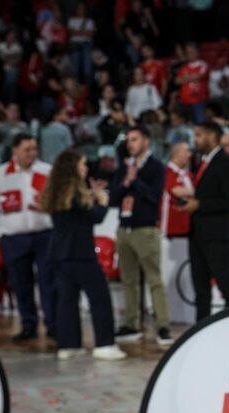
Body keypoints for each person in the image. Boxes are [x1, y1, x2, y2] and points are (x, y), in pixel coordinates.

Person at [41, 149, 126, 360]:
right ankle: (105, 345)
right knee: (100, 300)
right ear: (73, 168)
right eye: (82, 165)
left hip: (60, 255)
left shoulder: (56, 192)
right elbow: (94, 217)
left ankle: (69, 346)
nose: (85, 168)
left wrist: (92, 196)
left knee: (67, 302)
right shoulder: (75, 193)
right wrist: (102, 200)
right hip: (81, 253)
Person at [0, 133, 56, 341]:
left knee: (48, 282)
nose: (31, 153)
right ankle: (28, 325)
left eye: (34, 149)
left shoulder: (46, 170)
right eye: (27, 150)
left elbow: (58, 200)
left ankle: (52, 324)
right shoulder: (0, 174)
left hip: (44, 234)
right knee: (20, 283)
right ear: (15, 150)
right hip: (14, 237)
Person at [109, 125, 174, 346]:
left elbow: (154, 196)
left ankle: (163, 326)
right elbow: (113, 198)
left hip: (145, 229)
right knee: (128, 279)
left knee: (154, 279)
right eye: (129, 140)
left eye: (134, 139)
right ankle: (131, 323)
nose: (130, 144)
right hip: (124, 229)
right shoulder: (124, 166)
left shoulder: (156, 167)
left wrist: (135, 180)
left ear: (146, 141)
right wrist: (126, 181)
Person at [171, 122, 229, 321]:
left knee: (226, 286)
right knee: (200, 288)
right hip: (198, 233)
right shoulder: (201, 162)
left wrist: (199, 204)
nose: (196, 139)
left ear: (212, 136)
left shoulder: (226, 162)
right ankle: (199, 329)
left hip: (217, 235)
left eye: (199, 135)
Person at [161, 142, 194, 238]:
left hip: (187, 226)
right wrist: (197, 192)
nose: (190, 155)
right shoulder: (168, 172)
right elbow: (176, 191)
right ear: (177, 154)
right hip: (172, 228)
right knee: (176, 252)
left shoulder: (188, 174)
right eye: (187, 151)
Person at [175, 44, 209, 124]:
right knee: (185, 124)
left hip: (198, 100)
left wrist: (185, 77)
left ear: (197, 52)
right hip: (184, 101)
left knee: (200, 123)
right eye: (188, 52)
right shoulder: (184, 67)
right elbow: (177, 81)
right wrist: (192, 77)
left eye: (192, 51)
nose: (190, 53)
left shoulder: (202, 64)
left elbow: (198, 76)